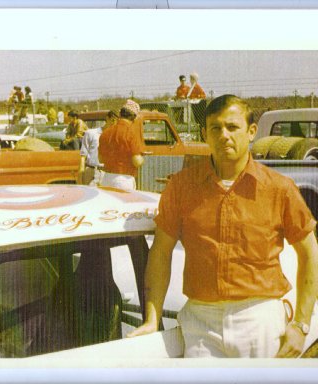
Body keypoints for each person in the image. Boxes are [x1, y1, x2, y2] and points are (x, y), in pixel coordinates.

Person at [128, 94, 318, 358]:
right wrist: (152, 318)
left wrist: (301, 323)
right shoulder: (181, 186)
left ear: (251, 132)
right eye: (215, 128)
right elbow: (161, 252)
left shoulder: (279, 188)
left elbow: (310, 253)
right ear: (205, 133)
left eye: (232, 127)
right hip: (200, 321)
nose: (224, 135)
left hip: (259, 318)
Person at [98, 99, 144, 191]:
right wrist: (142, 158)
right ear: (134, 117)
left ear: (120, 114)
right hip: (124, 179)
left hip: (106, 178)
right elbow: (137, 161)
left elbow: (100, 159)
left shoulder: (105, 132)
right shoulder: (130, 133)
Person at [78, 110, 118, 186]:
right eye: (112, 120)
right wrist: (80, 176)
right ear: (107, 118)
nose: (114, 123)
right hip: (91, 171)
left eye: (117, 121)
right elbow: (83, 156)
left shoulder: (116, 137)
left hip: (107, 174)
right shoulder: (91, 133)